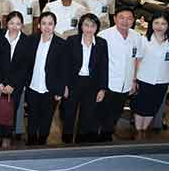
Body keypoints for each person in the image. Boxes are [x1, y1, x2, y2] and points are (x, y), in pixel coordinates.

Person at [97, 8, 143, 142]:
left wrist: (134, 80)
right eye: (121, 17)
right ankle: (98, 137)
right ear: (115, 19)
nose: (125, 21)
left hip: (126, 83)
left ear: (133, 21)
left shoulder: (136, 37)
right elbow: (97, 62)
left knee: (116, 112)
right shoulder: (104, 35)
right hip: (108, 83)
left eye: (129, 18)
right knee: (102, 112)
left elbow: (137, 59)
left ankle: (107, 135)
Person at [63, 13, 109, 144]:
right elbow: (65, 65)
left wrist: (102, 89)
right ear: (81, 26)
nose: (89, 29)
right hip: (73, 82)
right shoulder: (72, 41)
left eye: (93, 26)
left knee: (87, 114)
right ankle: (66, 141)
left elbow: (104, 67)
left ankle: (80, 141)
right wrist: (64, 85)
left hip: (92, 84)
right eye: (86, 25)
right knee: (69, 113)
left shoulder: (101, 43)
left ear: (97, 28)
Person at [25, 12, 67, 145]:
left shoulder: (61, 44)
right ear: (39, 25)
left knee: (47, 118)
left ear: (54, 26)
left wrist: (60, 90)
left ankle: (42, 141)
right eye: (44, 23)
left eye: (50, 24)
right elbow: (25, 64)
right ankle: (31, 141)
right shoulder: (31, 40)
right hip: (32, 86)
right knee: (32, 116)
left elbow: (63, 70)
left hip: (50, 89)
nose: (47, 27)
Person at [0, 11, 32, 150]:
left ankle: (7, 136)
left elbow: (25, 67)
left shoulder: (26, 41)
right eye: (11, 23)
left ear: (22, 25)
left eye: (18, 24)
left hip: (15, 84)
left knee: (11, 110)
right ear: (6, 23)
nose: (14, 27)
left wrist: (12, 84)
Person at [132, 12, 169, 140]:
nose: (159, 26)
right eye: (156, 23)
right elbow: (137, 60)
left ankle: (143, 131)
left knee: (152, 108)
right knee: (140, 108)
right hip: (143, 80)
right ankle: (138, 132)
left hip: (162, 81)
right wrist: (134, 79)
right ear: (151, 24)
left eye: (163, 23)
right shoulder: (144, 40)